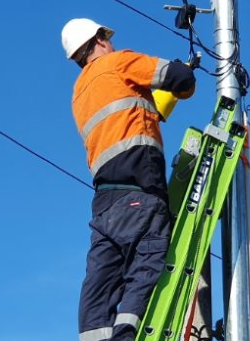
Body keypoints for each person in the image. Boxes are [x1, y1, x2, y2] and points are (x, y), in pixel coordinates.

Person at [61, 18, 196, 341]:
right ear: (99, 40)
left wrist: (154, 104)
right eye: (107, 37)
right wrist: (184, 72)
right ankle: (127, 334)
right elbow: (180, 79)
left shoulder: (80, 92)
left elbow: (128, 115)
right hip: (140, 190)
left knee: (101, 281)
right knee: (147, 263)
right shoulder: (118, 63)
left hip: (104, 204)